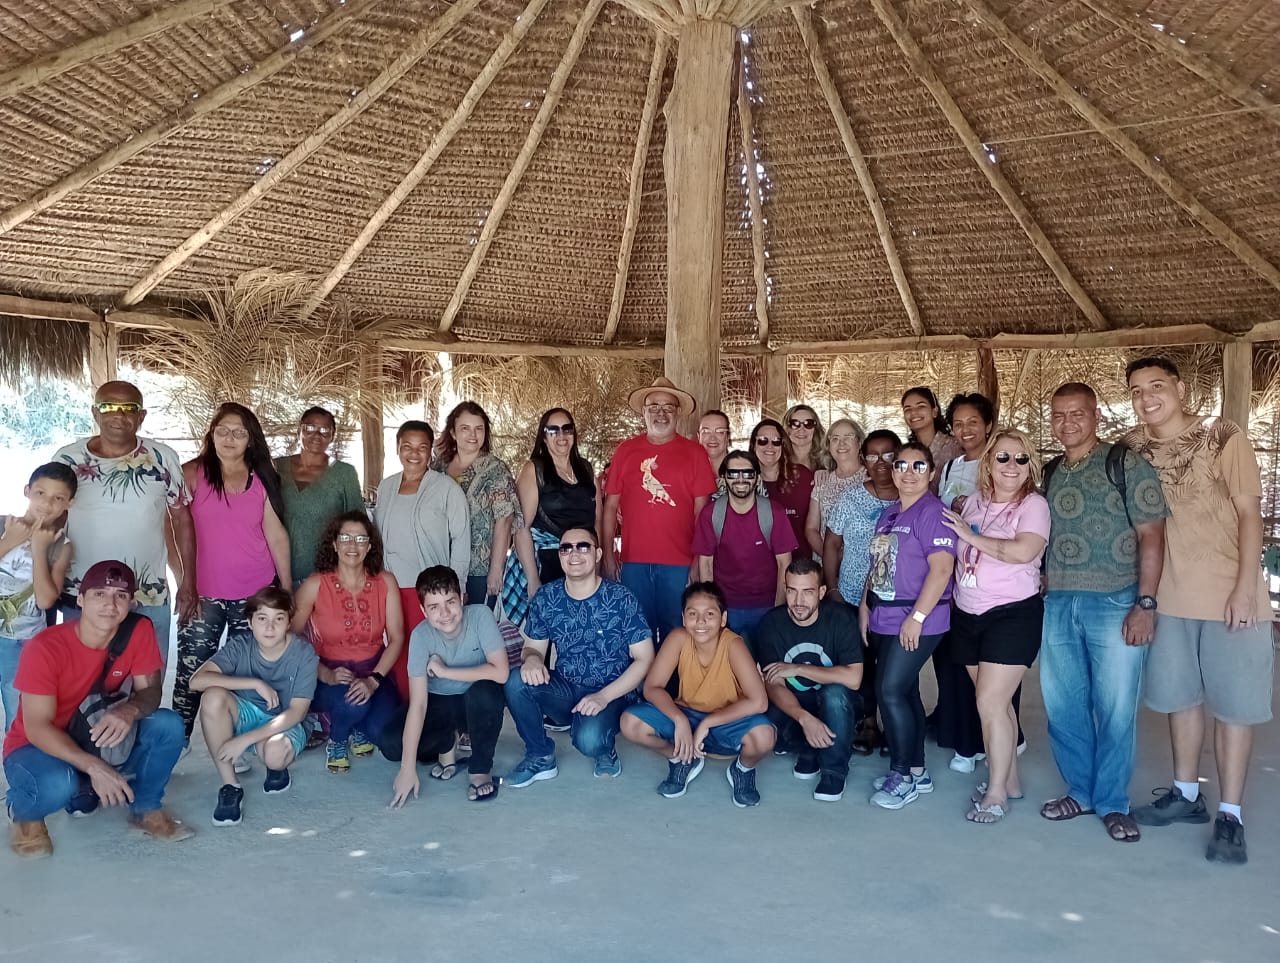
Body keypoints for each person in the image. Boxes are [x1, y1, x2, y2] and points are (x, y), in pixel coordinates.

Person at [1123, 358, 1273, 864]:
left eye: (1157, 386)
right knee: (1180, 699)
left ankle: (1230, 814)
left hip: (1231, 598)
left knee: (1235, 706)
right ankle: (1186, 794)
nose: (1147, 398)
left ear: (1181, 389)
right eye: (1137, 390)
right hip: (1168, 597)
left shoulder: (1223, 438)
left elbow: (1251, 513)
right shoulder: (1133, 450)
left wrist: (1246, 590)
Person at [1038, 382, 1166, 844]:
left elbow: (1152, 536)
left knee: (1114, 709)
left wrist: (1145, 604)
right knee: (1063, 706)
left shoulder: (1126, 464)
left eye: (1077, 414)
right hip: (1058, 604)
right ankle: (1081, 791)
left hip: (1116, 600)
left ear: (1096, 416)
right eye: (1058, 414)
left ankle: (1113, 801)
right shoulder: (1050, 471)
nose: (1066, 422)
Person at [5, 561, 193, 859]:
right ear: (80, 600)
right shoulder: (45, 647)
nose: (110, 604)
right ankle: (25, 812)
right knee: (57, 785)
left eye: (120, 595)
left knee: (167, 725)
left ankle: (145, 809)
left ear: (132, 602)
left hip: (96, 733)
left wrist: (129, 710)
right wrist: (93, 767)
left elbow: (152, 692)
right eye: (99, 594)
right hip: (37, 747)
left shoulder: (138, 630)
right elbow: (37, 727)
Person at [942, 429, 1049, 823]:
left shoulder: (1034, 505)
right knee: (997, 704)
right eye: (1003, 457)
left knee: (988, 703)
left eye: (1022, 460)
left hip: (1012, 615)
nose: (1012, 466)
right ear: (988, 462)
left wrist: (972, 536)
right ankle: (1013, 779)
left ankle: (996, 792)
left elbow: (1024, 551)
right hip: (967, 613)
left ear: (1031, 466)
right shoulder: (970, 503)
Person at [53, 380, 196, 664]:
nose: (118, 415)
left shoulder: (161, 458)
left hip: (147, 595)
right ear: (95, 413)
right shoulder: (68, 459)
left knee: (147, 681)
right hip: (81, 594)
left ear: (141, 416)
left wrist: (188, 581)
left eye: (128, 408)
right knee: (81, 684)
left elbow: (181, 519)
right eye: (108, 406)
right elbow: (51, 518)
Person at [172, 403, 291, 743]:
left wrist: (284, 588)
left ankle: (236, 740)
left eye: (239, 432)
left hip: (254, 594)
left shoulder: (262, 478)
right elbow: (172, 529)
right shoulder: (192, 474)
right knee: (192, 670)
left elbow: (275, 534)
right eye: (223, 430)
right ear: (211, 434)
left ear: (251, 439)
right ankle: (176, 743)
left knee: (247, 670)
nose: (230, 438)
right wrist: (184, 580)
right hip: (203, 593)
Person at [505, 527, 655, 784]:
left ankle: (604, 747)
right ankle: (540, 755)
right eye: (566, 548)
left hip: (613, 693)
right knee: (516, 681)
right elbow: (533, 648)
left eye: (583, 546)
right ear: (560, 556)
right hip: (567, 688)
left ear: (597, 554)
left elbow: (645, 658)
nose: (574, 554)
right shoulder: (547, 597)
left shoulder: (621, 598)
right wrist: (531, 659)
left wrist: (603, 697)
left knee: (589, 741)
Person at [861, 441, 957, 810]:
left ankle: (901, 776)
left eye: (919, 466)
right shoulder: (890, 514)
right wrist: (864, 607)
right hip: (884, 614)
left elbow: (942, 569)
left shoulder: (933, 512)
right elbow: (879, 566)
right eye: (902, 465)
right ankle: (917, 768)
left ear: (932, 473)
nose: (908, 472)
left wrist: (917, 618)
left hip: (919, 618)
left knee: (889, 691)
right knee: (906, 693)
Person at [620, 582, 775, 806]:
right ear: (684, 618)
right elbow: (652, 687)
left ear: (723, 619)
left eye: (709, 614)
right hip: (687, 716)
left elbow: (759, 702)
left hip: (726, 720)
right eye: (693, 614)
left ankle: (743, 769)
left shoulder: (733, 644)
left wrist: (709, 723)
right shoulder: (679, 637)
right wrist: (679, 719)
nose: (700, 622)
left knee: (764, 736)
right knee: (630, 722)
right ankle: (681, 759)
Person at [602, 377, 716, 644]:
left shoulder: (695, 453)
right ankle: (640, 686)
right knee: (636, 632)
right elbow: (610, 508)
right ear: (644, 411)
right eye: (654, 406)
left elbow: (703, 513)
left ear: (677, 413)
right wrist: (608, 555)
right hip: (633, 563)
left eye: (668, 407)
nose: (660, 413)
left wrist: (698, 560)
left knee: (677, 633)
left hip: (679, 563)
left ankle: (674, 687)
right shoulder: (625, 451)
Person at [192, 586, 317, 826]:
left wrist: (245, 740)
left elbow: (297, 713)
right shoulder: (241, 645)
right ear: (250, 622)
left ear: (289, 622)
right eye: (262, 619)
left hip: (284, 721)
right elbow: (196, 680)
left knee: (273, 754)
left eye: (278, 619)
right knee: (212, 697)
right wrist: (254, 683)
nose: (269, 627)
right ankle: (230, 786)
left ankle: (274, 765)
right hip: (247, 712)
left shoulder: (303, 653)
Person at [292, 512, 404, 774]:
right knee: (356, 704)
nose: (352, 545)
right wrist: (325, 673)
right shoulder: (315, 585)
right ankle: (338, 738)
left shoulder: (386, 582)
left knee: (385, 736)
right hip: (329, 673)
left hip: (375, 670)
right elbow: (290, 637)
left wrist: (374, 679)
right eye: (345, 537)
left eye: (360, 539)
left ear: (370, 545)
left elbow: (397, 638)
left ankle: (355, 724)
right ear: (334, 543)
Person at [388, 566, 509, 807]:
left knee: (487, 692)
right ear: (423, 611)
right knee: (391, 744)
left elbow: (501, 672)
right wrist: (407, 768)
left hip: (474, 703)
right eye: (434, 607)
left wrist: (445, 671)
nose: (445, 613)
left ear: (462, 597)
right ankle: (447, 742)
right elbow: (419, 704)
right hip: (440, 702)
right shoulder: (421, 636)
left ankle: (480, 769)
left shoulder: (480, 615)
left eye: (450, 602)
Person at [753, 558, 863, 802]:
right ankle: (808, 748)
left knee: (833, 694)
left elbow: (854, 678)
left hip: (836, 703)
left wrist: (796, 668)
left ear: (822, 592)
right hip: (797, 705)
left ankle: (834, 770)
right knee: (760, 713)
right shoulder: (772, 623)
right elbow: (774, 683)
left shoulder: (841, 619)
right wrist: (804, 719)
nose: (799, 601)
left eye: (808, 592)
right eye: (792, 591)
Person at [374, 420, 469, 694]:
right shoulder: (387, 487)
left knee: (431, 654)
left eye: (422, 447)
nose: (414, 453)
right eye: (407, 446)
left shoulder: (446, 488)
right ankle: (407, 716)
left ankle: (438, 720)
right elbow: (379, 538)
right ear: (397, 448)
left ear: (431, 453)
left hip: (430, 591)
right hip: (392, 587)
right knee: (398, 652)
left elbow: (461, 539)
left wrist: (457, 586)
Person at [823, 429, 900, 755]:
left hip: (899, 599)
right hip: (853, 595)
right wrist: (834, 587)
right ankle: (868, 724)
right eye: (872, 455)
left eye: (888, 455)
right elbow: (832, 544)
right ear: (864, 460)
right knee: (863, 664)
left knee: (895, 667)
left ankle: (898, 728)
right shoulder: (851, 497)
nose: (880, 462)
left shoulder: (912, 496)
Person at [934, 392, 997, 773]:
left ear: (988, 424)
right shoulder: (951, 466)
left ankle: (997, 739)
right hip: (956, 577)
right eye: (958, 423)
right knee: (956, 663)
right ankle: (964, 739)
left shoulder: (999, 463)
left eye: (973, 421)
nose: (965, 429)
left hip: (991, 577)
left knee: (991, 667)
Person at [1, 464, 76, 732]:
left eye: (58, 498)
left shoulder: (60, 545)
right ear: (27, 491)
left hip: (23, 642)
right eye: (41, 493)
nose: (47, 504)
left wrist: (38, 549)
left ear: (70, 503)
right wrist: (9, 542)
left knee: (18, 713)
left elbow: (45, 601)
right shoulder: (2, 525)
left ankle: (16, 768)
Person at [691, 450, 798, 639]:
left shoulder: (774, 513)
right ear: (724, 478)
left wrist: (779, 612)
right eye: (733, 473)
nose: (741, 479)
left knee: (765, 666)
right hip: (725, 608)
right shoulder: (711, 514)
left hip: (766, 607)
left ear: (757, 478)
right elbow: (705, 564)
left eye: (748, 473)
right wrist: (711, 609)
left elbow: (784, 564)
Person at [433, 401, 520, 607]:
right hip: (441, 561)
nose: (472, 435)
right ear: (453, 432)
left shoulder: (495, 469)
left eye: (478, 429)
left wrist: (496, 569)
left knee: (474, 627)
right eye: (465, 428)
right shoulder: (439, 466)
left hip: (479, 568)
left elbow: (505, 519)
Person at [274, 406, 364, 588]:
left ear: (332, 436)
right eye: (309, 428)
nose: (317, 435)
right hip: (277, 571)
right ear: (299, 430)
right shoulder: (276, 468)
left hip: (327, 572)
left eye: (324, 430)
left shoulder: (344, 473)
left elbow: (358, 524)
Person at [514, 407, 598, 588]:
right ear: (543, 437)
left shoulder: (586, 470)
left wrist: (597, 564)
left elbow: (597, 520)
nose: (561, 435)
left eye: (567, 428)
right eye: (553, 430)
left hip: (584, 564)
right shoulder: (534, 470)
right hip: (548, 565)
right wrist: (533, 579)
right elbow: (521, 528)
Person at [804, 417, 865, 557]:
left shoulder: (870, 479)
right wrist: (829, 559)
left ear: (860, 442)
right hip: (825, 566)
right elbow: (811, 528)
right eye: (835, 438)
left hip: (860, 566)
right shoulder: (823, 480)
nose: (841, 443)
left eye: (848, 437)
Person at [751, 418, 814, 549]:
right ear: (754, 445)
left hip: (798, 562)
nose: (770, 446)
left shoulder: (802, 476)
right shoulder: (744, 481)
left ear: (783, 445)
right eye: (763, 441)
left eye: (776, 441)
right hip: (759, 562)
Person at [900, 387, 962, 493]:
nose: (914, 412)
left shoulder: (956, 446)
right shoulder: (905, 452)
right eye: (908, 409)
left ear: (934, 411)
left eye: (921, 406)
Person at [783, 404, 831, 472]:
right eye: (795, 424)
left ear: (815, 429)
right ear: (787, 428)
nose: (801, 429)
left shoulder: (828, 461)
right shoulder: (777, 460)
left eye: (808, 424)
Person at [698, 409, 733, 478]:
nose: (712, 438)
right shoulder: (689, 472)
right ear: (698, 436)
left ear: (728, 436)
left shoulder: (740, 471)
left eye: (720, 431)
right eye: (706, 431)